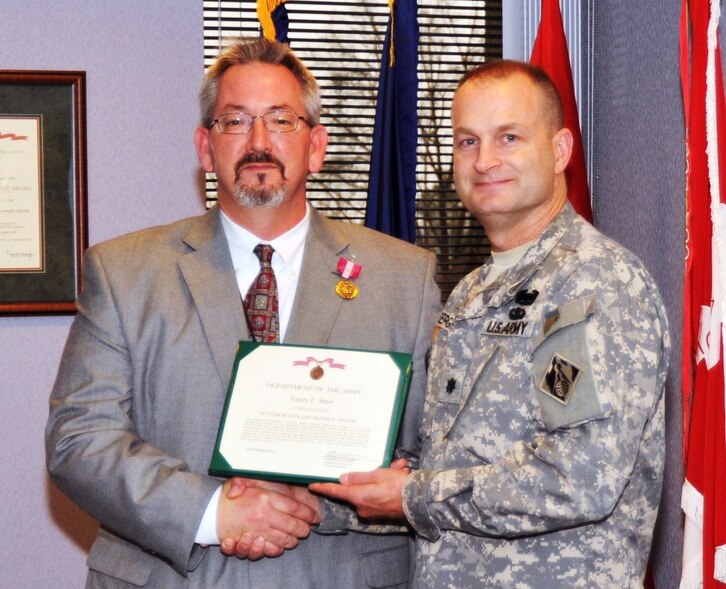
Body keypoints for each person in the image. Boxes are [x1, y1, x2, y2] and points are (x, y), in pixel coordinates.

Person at [45, 36, 441, 588]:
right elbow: (79, 440)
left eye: (281, 120)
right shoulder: (123, 272)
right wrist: (212, 512)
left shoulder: (405, 278)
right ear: (206, 150)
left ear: (317, 146)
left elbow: (434, 455)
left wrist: (321, 503)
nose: (259, 141)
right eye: (235, 122)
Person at [310, 60, 671, 587]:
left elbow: (578, 477)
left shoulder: (592, 283)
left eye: (509, 137)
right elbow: (442, 465)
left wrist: (411, 496)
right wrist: (322, 496)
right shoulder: (472, 291)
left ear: (560, 151)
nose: (485, 161)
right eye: (467, 142)